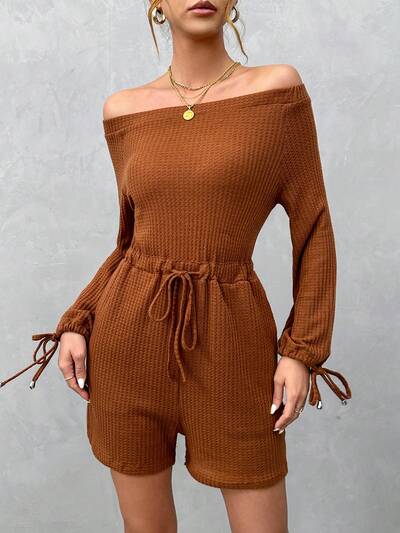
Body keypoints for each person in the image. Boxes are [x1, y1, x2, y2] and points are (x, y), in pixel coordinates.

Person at [2, 1, 352, 531]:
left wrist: (302, 351)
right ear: (157, 4)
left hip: (234, 345)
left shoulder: (278, 92)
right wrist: (79, 318)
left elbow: (315, 228)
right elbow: (131, 244)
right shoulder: (123, 110)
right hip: (128, 344)